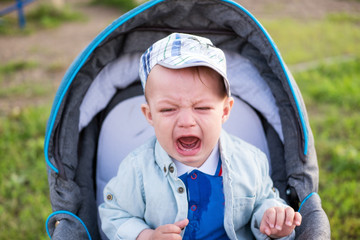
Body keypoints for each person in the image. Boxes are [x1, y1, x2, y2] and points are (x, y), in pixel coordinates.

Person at [98, 33, 302, 240]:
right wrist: (146, 236)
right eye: (168, 109)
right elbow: (114, 214)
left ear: (224, 111)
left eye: (202, 107)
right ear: (150, 115)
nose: (186, 121)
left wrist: (272, 218)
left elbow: (264, 201)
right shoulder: (138, 169)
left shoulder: (250, 161)